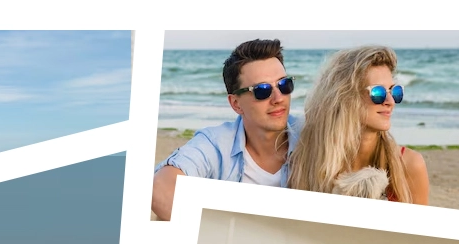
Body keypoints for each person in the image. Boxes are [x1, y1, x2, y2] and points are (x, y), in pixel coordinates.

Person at [152, 39, 302, 221]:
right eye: (262, 90)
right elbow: (161, 188)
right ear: (236, 104)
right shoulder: (217, 143)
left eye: (284, 84)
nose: (278, 98)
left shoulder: (313, 137)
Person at [288, 46, 429, 204]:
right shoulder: (304, 161)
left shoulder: (409, 165)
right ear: (345, 97)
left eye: (394, 91)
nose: (390, 102)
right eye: (378, 93)